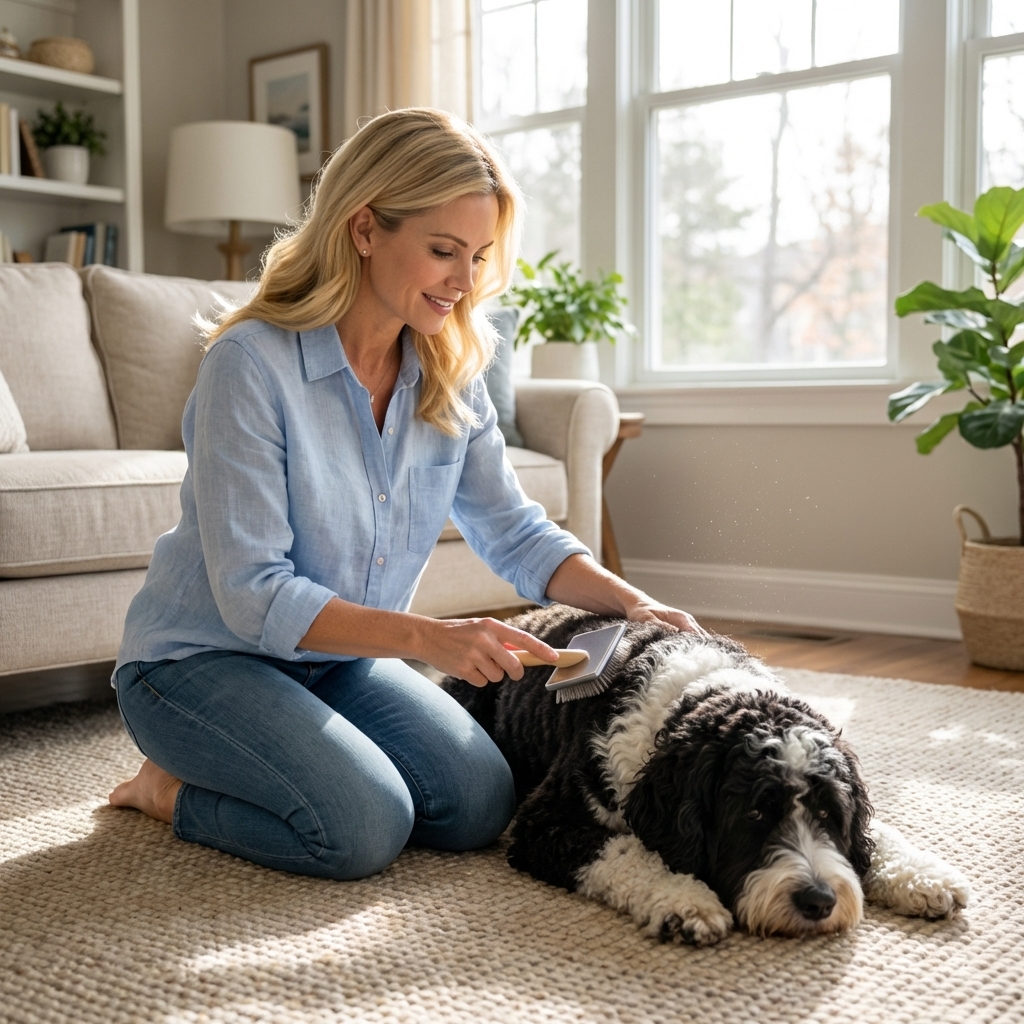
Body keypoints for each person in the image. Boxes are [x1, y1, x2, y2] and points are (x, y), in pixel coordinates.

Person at [109, 108, 703, 880]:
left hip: (337, 661)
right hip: (199, 664)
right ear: (364, 229)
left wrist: (632, 604)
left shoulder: (450, 370)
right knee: (361, 827)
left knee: (479, 805)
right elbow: (254, 595)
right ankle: (167, 790)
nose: (465, 281)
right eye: (443, 251)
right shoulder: (251, 365)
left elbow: (515, 531)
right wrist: (430, 638)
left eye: (480, 256)